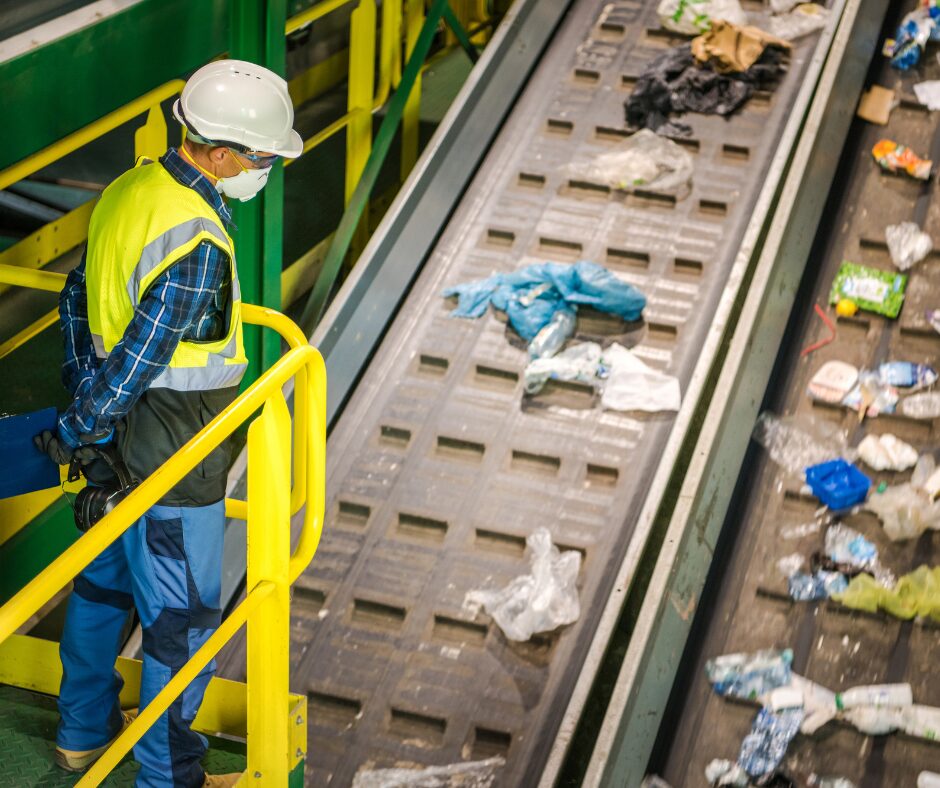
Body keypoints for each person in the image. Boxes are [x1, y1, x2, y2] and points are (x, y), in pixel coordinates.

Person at [34, 59, 302, 787]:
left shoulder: (131, 190)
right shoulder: (197, 244)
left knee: (101, 588)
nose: (266, 167)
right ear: (219, 153)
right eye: (261, 156)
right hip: (175, 451)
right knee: (181, 626)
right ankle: (168, 777)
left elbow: (76, 306)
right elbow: (141, 359)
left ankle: (82, 735)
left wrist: (84, 421)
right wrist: (88, 423)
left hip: (117, 440)